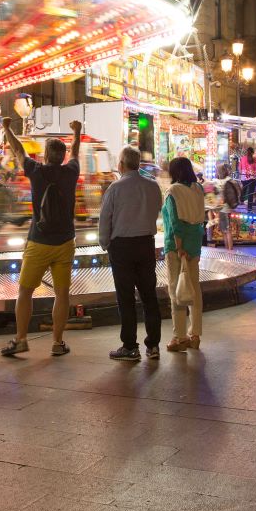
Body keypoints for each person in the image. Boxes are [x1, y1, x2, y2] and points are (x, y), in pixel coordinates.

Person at [0, 117, 82, 358]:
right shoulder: (71, 172)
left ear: (45, 155)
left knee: (25, 291)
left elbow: (18, 150)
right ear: (63, 156)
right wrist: (77, 131)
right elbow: (76, 151)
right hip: (65, 242)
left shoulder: (36, 171)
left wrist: (7, 128)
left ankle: (21, 339)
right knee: (62, 293)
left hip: (38, 241)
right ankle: (57, 342)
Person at [99, 145, 164, 361]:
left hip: (122, 247)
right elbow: (157, 209)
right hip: (146, 244)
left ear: (122, 164)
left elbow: (105, 219)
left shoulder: (115, 188)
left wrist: (104, 243)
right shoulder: (153, 186)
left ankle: (129, 346)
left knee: (125, 297)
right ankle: (153, 346)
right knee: (149, 296)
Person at [163, 157, 205, 352]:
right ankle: (195, 335)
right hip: (195, 245)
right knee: (194, 290)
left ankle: (180, 338)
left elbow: (175, 223)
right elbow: (199, 219)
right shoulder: (198, 189)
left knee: (177, 291)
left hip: (176, 248)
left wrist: (179, 248)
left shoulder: (173, 192)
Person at [216, 163, 241, 251]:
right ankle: (229, 249)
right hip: (229, 207)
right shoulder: (229, 180)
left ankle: (229, 249)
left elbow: (219, 195)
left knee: (226, 230)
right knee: (226, 229)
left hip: (223, 208)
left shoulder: (220, 181)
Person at [239, 146, 256, 211]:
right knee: (250, 192)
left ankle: (241, 201)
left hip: (244, 177)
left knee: (244, 189)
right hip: (253, 178)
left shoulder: (242, 158)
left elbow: (240, 168)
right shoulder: (255, 159)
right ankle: (249, 208)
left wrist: (242, 176)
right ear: (253, 152)